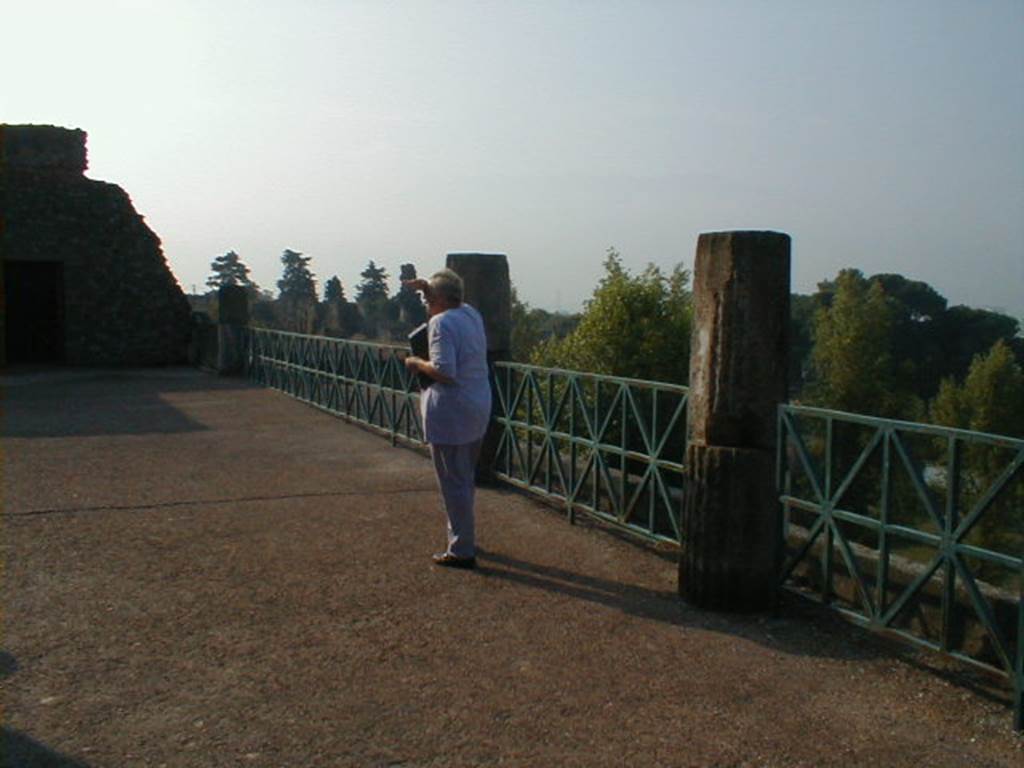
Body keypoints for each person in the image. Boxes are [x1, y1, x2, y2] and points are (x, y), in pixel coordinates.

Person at [403, 269, 491, 570]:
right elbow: (450, 297)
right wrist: (429, 286)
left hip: (452, 412)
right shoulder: (470, 314)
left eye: (427, 299)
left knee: (453, 482)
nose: (426, 304)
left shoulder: (441, 322)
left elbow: (444, 370)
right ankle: (463, 535)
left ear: (438, 300)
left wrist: (416, 363)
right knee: (464, 477)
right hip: (478, 406)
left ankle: (462, 549)